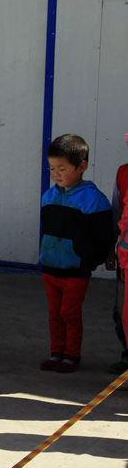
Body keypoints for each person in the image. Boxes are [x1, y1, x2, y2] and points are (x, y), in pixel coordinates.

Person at [39, 134, 112, 372]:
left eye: (62, 169)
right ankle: (56, 353)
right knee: (54, 313)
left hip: (76, 271)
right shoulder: (49, 196)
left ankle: (71, 355)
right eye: (52, 168)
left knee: (69, 313)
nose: (56, 174)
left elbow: (103, 236)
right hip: (50, 267)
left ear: (82, 166)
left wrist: (88, 261)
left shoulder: (93, 200)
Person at [106, 135, 128, 374]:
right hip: (125, 257)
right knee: (122, 312)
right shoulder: (123, 173)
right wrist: (111, 249)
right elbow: (117, 214)